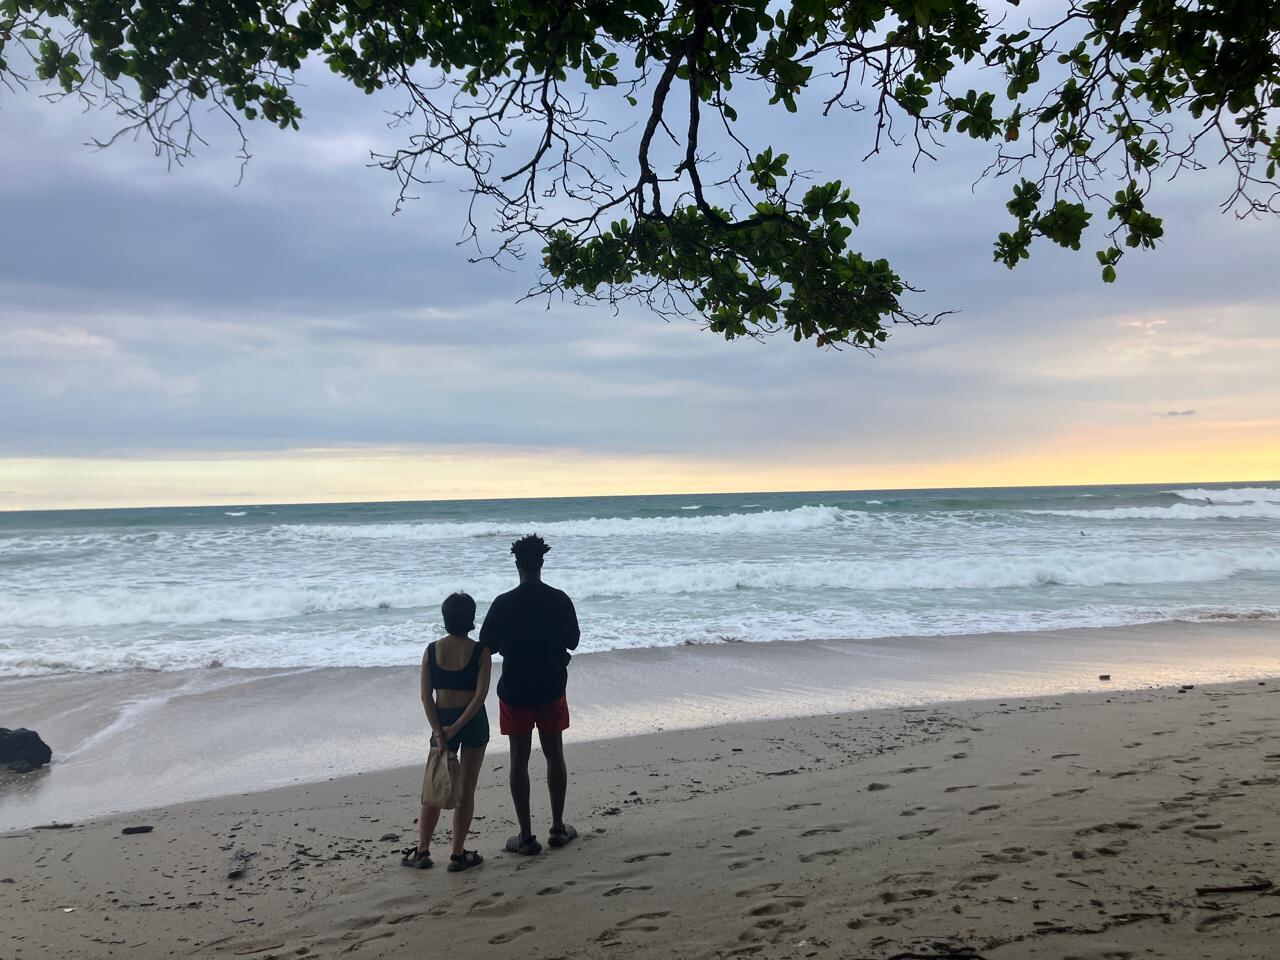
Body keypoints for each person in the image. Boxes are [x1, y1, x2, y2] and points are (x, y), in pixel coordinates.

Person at [480, 534, 580, 855]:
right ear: (541, 563)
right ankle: (558, 828)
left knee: (518, 760)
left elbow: (488, 646)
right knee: (555, 754)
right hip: (551, 685)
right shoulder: (559, 599)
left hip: (516, 689)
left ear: (517, 564)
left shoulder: (503, 603)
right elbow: (573, 640)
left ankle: (525, 836)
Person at [402, 592, 491, 872]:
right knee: (467, 786)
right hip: (472, 721)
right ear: (471, 619)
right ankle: (457, 853)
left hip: (441, 723)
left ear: (445, 618)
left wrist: (440, 731)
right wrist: (457, 726)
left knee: (435, 785)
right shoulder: (480, 652)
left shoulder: (431, 651)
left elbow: (426, 697)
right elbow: (479, 697)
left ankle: (422, 850)